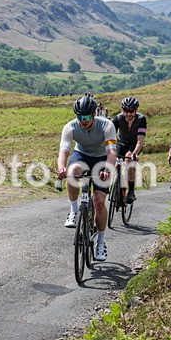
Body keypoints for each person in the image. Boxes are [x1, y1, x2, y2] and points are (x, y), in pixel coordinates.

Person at [57, 95, 117, 262]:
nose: (82, 121)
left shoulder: (106, 125)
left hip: (101, 158)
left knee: (98, 201)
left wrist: (107, 168)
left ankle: (100, 243)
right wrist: (62, 167)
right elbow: (64, 151)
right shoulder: (70, 127)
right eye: (79, 117)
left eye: (86, 117)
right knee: (73, 169)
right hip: (81, 155)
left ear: (93, 115)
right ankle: (74, 211)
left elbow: (111, 152)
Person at [111, 96, 147, 203]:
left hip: (134, 144)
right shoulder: (118, 118)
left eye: (131, 111)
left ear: (135, 110)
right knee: (114, 162)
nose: (128, 114)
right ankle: (116, 184)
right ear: (123, 110)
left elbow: (140, 140)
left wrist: (135, 153)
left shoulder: (141, 119)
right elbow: (110, 135)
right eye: (126, 111)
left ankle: (131, 191)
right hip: (121, 142)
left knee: (129, 161)